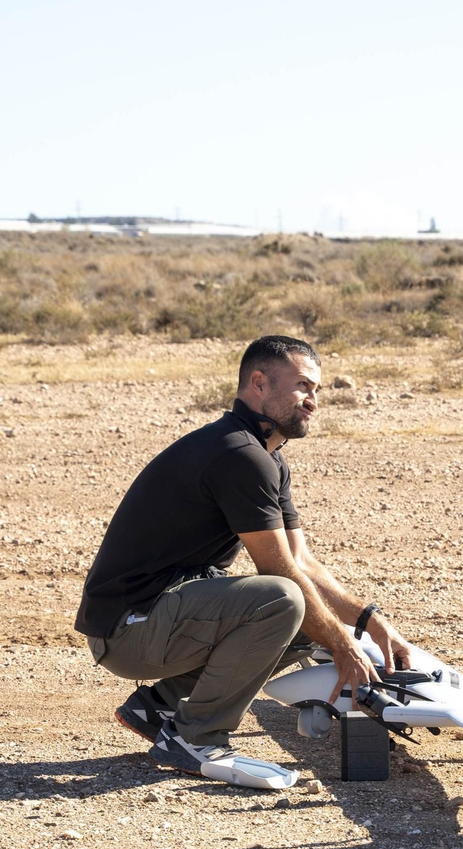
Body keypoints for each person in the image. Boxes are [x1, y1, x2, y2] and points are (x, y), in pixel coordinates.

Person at [73, 335, 414, 788]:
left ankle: (161, 706)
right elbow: (279, 572)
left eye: (316, 390)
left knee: (311, 617)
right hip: (127, 631)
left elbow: (301, 561)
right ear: (258, 383)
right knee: (283, 601)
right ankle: (196, 736)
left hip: (156, 618)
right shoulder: (238, 454)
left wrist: (370, 622)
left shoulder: (267, 457)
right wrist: (343, 647)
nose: (313, 401)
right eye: (302, 386)